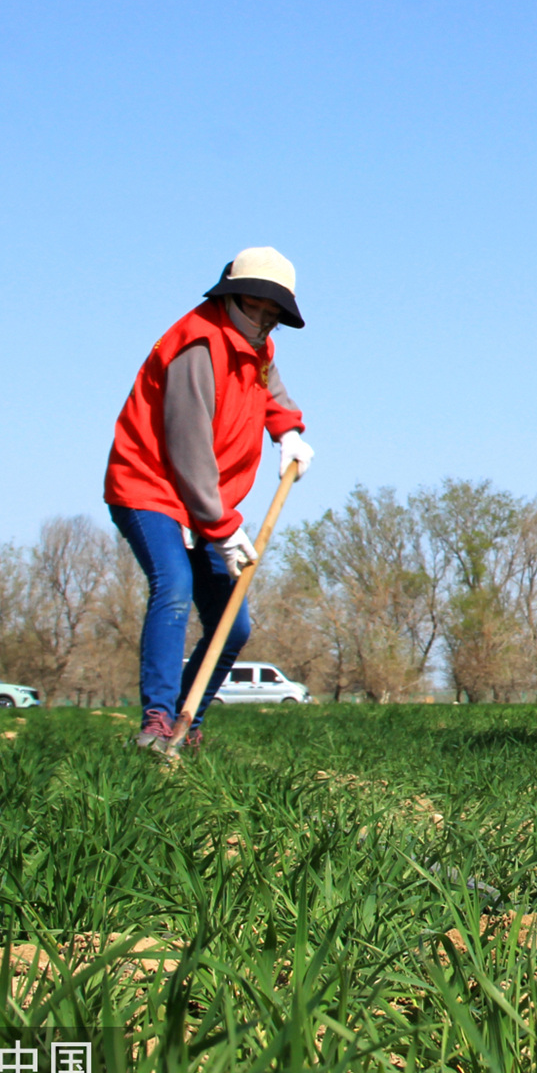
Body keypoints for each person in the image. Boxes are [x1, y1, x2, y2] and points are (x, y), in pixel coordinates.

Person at [104, 248, 314, 752]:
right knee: (173, 586)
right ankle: (156, 719)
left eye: (272, 316)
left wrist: (287, 433)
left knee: (233, 624)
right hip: (151, 487)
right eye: (254, 307)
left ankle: (187, 719)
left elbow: (272, 395)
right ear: (229, 296)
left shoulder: (257, 346)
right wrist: (219, 526)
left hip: (206, 505)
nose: (262, 321)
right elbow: (188, 447)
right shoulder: (196, 346)